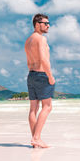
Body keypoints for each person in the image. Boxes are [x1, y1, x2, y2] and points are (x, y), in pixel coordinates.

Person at [24, 13, 56, 148]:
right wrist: (50, 75)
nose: (48, 26)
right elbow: (44, 59)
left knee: (33, 109)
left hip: (31, 75)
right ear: (37, 24)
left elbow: (29, 61)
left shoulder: (28, 40)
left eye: (49, 23)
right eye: (45, 23)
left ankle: (35, 140)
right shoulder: (41, 39)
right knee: (47, 107)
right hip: (42, 75)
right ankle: (36, 138)